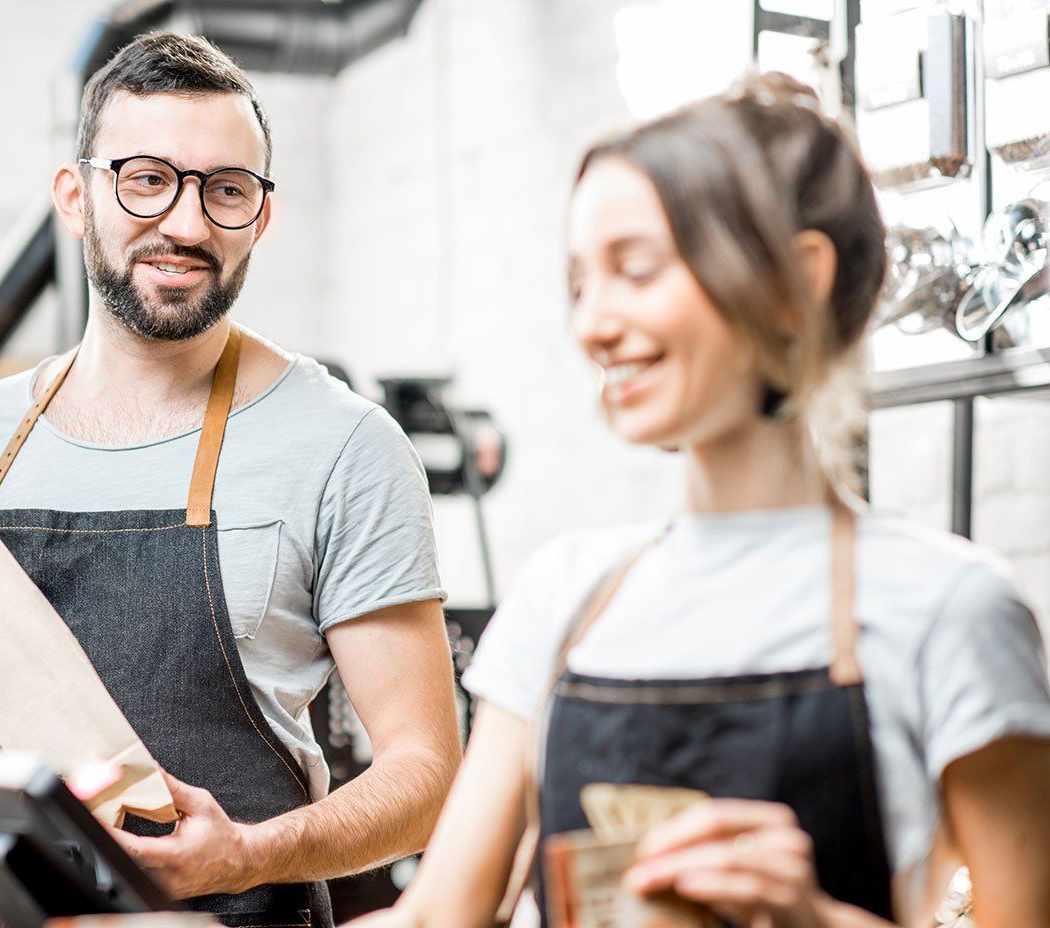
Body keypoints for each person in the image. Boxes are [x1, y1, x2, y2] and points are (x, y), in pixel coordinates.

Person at [349, 73, 1050, 928]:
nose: (594, 325)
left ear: (797, 282)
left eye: (637, 271)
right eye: (580, 282)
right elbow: (434, 919)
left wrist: (814, 919)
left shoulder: (948, 609)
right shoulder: (565, 595)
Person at [0, 32, 462, 928]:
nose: (185, 223)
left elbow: (425, 773)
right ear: (76, 196)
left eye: (225, 189)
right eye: (146, 177)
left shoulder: (345, 445)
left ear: (262, 215)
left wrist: (248, 855)